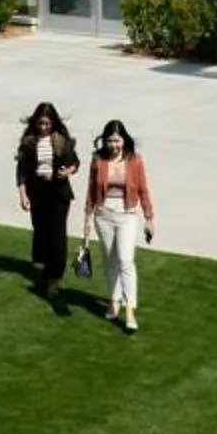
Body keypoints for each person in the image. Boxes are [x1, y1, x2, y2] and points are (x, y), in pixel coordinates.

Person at [83, 118, 156, 333]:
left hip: (128, 216)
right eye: (110, 141)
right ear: (105, 141)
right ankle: (114, 301)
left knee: (125, 260)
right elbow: (91, 191)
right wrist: (87, 219)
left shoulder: (134, 161)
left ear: (124, 140)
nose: (114, 145)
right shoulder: (98, 160)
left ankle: (129, 308)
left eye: (117, 140)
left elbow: (143, 189)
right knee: (109, 260)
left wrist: (149, 218)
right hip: (103, 215)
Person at [13, 102, 81, 290]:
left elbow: (75, 162)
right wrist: (23, 194)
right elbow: (21, 170)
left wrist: (68, 171)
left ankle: (54, 278)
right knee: (41, 232)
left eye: (47, 123)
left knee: (57, 236)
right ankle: (45, 269)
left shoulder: (62, 141)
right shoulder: (29, 142)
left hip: (58, 192)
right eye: (41, 123)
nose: (44, 127)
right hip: (37, 192)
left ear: (53, 123)